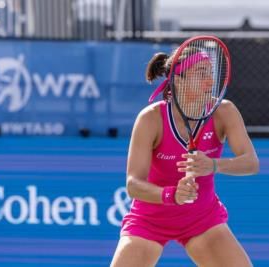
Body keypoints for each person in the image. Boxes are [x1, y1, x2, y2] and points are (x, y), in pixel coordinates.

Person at [110, 44, 260, 267]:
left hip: (202, 218)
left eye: (211, 72)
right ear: (178, 80)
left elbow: (251, 163)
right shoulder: (150, 119)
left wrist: (214, 165)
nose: (210, 80)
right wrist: (172, 195)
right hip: (149, 221)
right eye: (201, 73)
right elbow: (133, 186)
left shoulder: (224, 112)